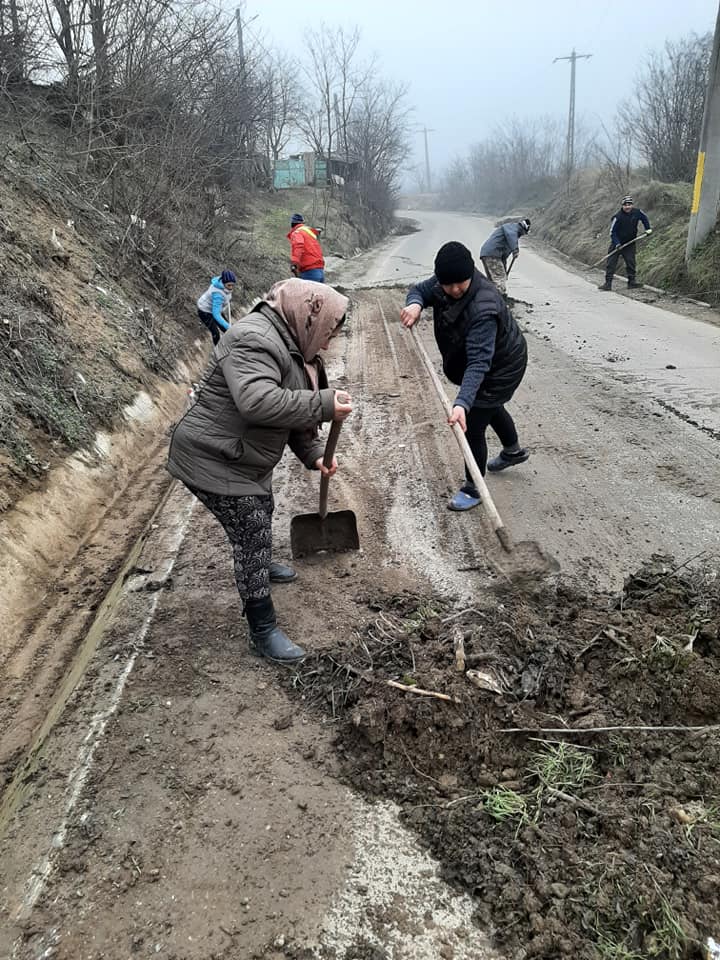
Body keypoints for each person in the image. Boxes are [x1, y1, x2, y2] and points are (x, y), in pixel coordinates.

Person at [168, 279, 352, 662]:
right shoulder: (253, 338)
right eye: (327, 335)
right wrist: (322, 404)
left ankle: (261, 563)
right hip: (210, 456)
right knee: (251, 529)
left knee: (261, 508)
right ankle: (262, 629)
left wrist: (315, 453)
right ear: (310, 317)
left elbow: (290, 416)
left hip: (240, 456)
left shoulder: (293, 345)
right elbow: (257, 402)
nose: (326, 345)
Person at [400, 242, 529, 512]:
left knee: (474, 422)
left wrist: (462, 403)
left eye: (461, 283)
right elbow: (420, 290)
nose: (455, 289)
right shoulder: (443, 282)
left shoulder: (484, 307)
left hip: (501, 366)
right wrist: (415, 304)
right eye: (449, 284)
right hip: (495, 359)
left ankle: (474, 488)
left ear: (470, 272)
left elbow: (479, 364)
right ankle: (513, 451)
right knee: (490, 406)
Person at [598, 196, 652, 291]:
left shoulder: (637, 212)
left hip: (630, 243)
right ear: (622, 206)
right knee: (611, 263)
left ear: (632, 205)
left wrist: (648, 229)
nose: (627, 207)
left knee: (631, 262)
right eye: (625, 205)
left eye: (629, 205)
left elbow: (644, 218)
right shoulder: (618, 217)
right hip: (617, 244)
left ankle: (632, 282)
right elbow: (612, 232)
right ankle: (608, 284)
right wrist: (617, 244)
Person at [479, 218, 531, 295]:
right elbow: (511, 235)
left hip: (488, 254)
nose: (523, 235)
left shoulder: (511, 236)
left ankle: (489, 297)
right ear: (523, 229)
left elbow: (503, 258)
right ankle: (500, 298)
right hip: (493, 255)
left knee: (492, 281)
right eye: (524, 233)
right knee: (499, 279)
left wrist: (504, 271)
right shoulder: (512, 229)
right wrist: (515, 249)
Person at [196, 270, 236, 345]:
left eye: (232, 285)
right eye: (229, 285)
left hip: (214, 308)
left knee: (227, 330)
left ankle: (232, 345)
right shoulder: (218, 294)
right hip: (204, 311)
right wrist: (228, 326)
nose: (231, 287)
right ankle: (217, 349)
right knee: (216, 333)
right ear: (223, 283)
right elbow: (216, 314)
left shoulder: (223, 283)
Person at [287, 213, 325, 282]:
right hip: (320, 270)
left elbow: (298, 245)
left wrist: (294, 263)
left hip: (309, 271)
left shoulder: (297, 232)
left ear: (292, 224)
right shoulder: (309, 233)